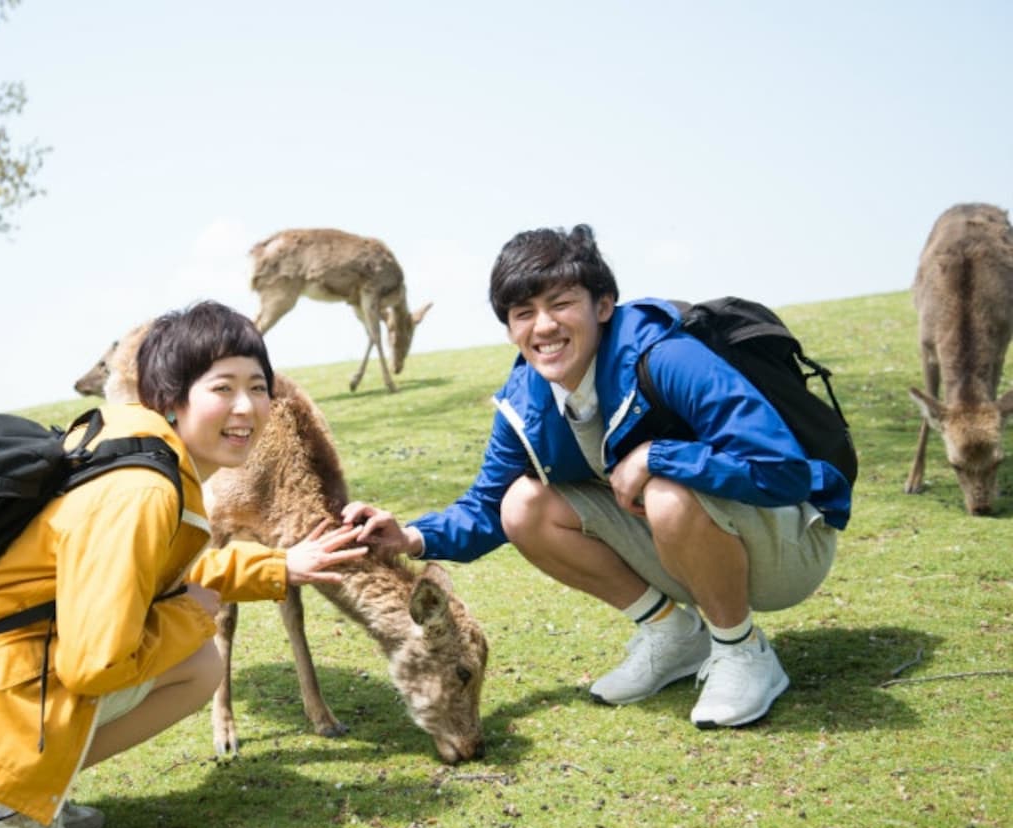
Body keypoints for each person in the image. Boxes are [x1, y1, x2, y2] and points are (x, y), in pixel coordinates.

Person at [0, 301, 367, 828]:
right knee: (198, 665)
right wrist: (193, 617)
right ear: (171, 398)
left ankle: (21, 787)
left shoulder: (150, 456)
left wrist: (277, 567)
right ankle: (0, 808)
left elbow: (160, 579)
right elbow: (97, 663)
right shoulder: (143, 492)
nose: (246, 407)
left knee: (193, 658)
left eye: (259, 387)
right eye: (223, 388)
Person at [344, 225, 850, 730]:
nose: (543, 327)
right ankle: (674, 635)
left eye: (561, 304)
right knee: (522, 505)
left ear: (603, 305)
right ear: (509, 330)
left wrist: (659, 456)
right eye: (524, 314)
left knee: (669, 492)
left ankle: (742, 653)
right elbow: (485, 506)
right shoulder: (527, 399)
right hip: (688, 546)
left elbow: (780, 470)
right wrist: (411, 536)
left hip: (787, 546)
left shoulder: (666, 357)